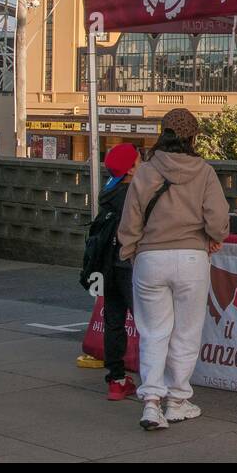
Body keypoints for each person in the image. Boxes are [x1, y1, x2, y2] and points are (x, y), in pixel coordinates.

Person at [117, 108, 228, 431]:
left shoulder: (146, 171)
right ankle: (177, 400)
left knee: (153, 332)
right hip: (192, 258)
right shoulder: (204, 171)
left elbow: (130, 221)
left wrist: (133, 253)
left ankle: (151, 403)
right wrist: (213, 238)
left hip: (151, 259)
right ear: (193, 137)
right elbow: (218, 220)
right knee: (186, 332)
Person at [100, 144, 141, 401]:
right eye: (140, 159)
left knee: (113, 321)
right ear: (131, 168)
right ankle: (153, 380)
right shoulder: (134, 193)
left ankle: (116, 380)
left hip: (107, 263)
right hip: (129, 263)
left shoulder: (108, 191)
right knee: (147, 322)